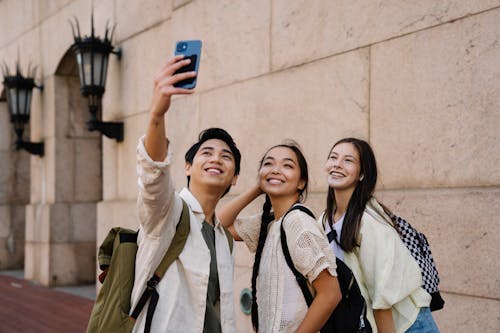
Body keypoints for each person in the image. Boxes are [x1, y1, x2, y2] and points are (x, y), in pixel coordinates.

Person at [130, 55, 240, 332]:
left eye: (226, 156)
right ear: (188, 167)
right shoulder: (169, 213)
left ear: (234, 176)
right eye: (207, 153)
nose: (216, 159)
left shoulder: (223, 238)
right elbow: (153, 176)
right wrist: (157, 115)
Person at [319, 137, 439, 333]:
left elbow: (383, 297)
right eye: (333, 157)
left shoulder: (369, 223)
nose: (337, 164)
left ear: (362, 174)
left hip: (407, 325)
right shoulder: (324, 220)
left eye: (348, 160)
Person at [219, 141, 341, 333]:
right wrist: (257, 188)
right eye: (269, 164)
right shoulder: (270, 223)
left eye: (287, 165)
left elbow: (331, 293)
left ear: (301, 182)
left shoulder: (298, 223)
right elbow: (217, 226)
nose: (276, 170)